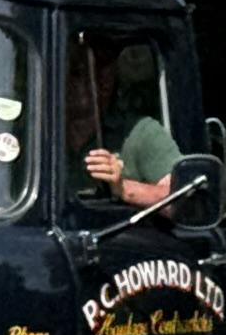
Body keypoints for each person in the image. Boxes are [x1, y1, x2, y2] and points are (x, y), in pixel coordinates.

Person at [71, 39, 178, 208]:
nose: (99, 79)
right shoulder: (30, 134)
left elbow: (183, 200)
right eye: (77, 71)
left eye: (105, 68)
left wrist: (123, 188)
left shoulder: (141, 133)